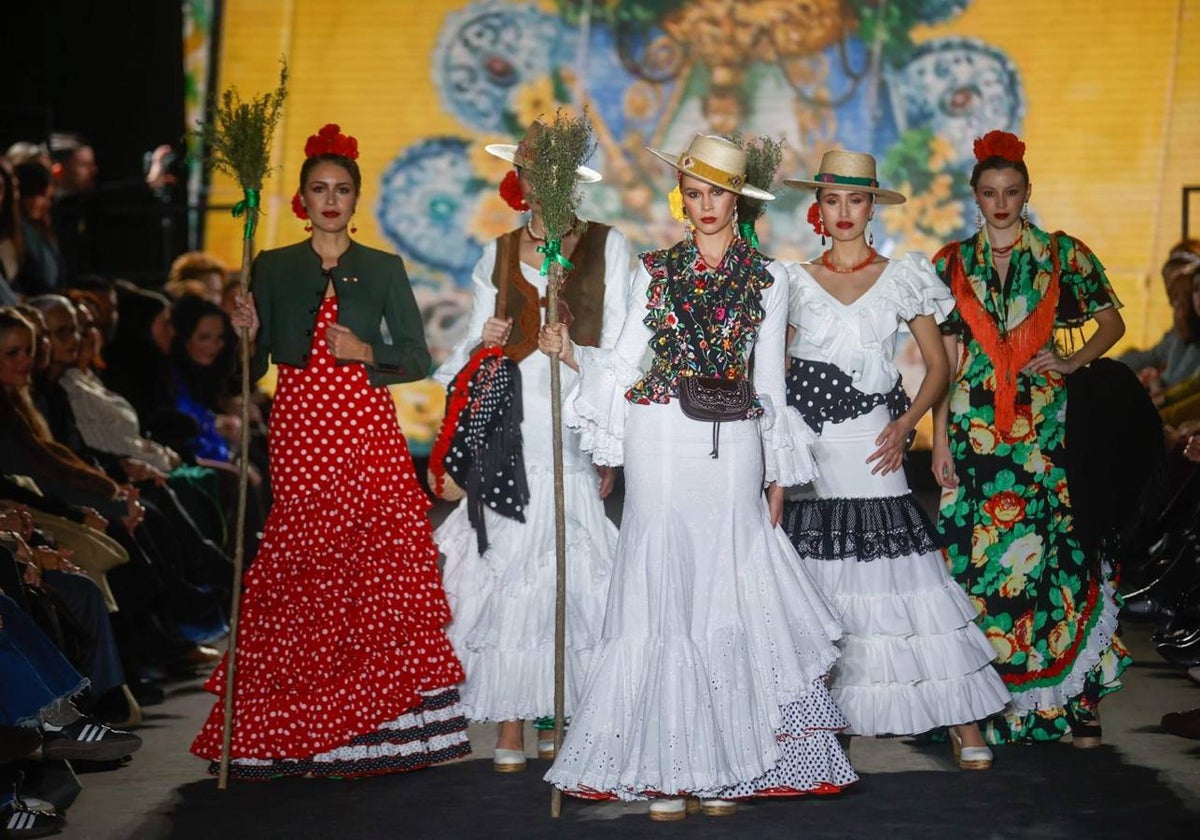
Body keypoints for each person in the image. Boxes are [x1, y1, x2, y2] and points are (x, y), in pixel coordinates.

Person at [539, 134, 855, 820]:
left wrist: (776, 473)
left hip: (734, 440)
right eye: (695, 191)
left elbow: (769, 382)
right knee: (664, 589)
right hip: (659, 439)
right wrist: (572, 356)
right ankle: (666, 768)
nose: (706, 204)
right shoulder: (654, 271)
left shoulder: (771, 281)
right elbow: (624, 364)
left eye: (718, 192)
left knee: (726, 587)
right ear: (680, 197)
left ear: (737, 200)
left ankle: (725, 768)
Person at [190, 123, 469, 780]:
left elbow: (418, 358)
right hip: (302, 426)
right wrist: (245, 334)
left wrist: (364, 350)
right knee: (303, 570)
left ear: (355, 196)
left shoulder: (382, 268)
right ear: (303, 198)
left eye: (342, 189)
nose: (331, 199)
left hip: (364, 427)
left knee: (372, 571)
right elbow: (250, 371)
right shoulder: (274, 266)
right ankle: (285, 727)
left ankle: (372, 731)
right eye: (319, 188)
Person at [780, 151, 1010, 767]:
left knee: (904, 574)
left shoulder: (904, 273)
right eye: (833, 200)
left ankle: (964, 724)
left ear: (872, 206)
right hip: (812, 444)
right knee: (824, 581)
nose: (844, 212)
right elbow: (773, 371)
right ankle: (826, 727)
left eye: (856, 200)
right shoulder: (792, 281)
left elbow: (940, 365)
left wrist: (908, 424)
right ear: (819, 209)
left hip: (876, 435)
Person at [432, 121, 627, 770]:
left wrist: (602, 425)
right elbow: (465, 353)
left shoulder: (606, 246)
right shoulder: (498, 251)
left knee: (565, 577)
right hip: (510, 429)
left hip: (571, 422)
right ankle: (511, 724)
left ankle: (559, 709)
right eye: (530, 167)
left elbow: (627, 348)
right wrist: (483, 339)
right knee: (511, 570)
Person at [931, 130, 1130, 745]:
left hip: (1045, 426)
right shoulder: (951, 263)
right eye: (989, 192)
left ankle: (1073, 701)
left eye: (1011, 192)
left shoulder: (1063, 256)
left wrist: (1073, 363)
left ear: (1027, 193)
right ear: (975, 195)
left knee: (1061, 552)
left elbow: (1111, 322)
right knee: (978, 563)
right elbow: (946, 360)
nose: (1000, 203)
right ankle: (984, 706)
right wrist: (938, 439)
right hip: (974, 426)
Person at [1118, 240, 1200, 407]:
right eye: (1172, 293)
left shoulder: (1189, 340)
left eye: (1182, 292)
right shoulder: (1178, 337)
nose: (1176, 304)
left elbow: (1186, 390)